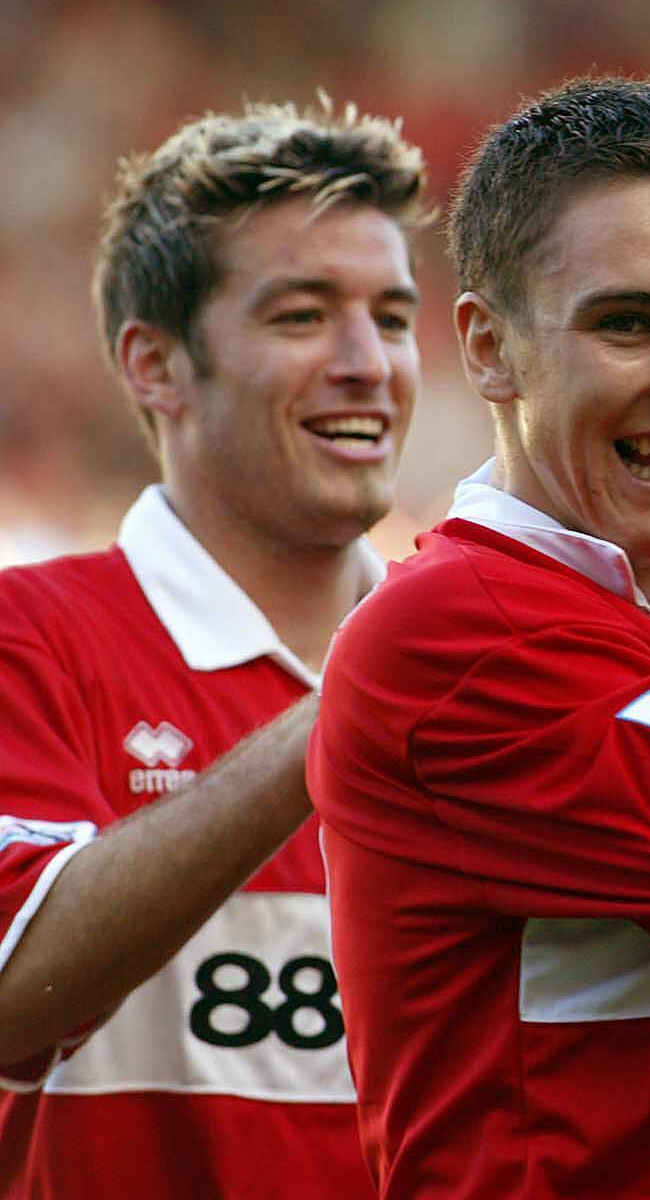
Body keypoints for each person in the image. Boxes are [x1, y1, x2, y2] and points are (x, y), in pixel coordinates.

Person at [0, 99, 428, 1197]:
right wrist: (361, 694)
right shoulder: (30, 638)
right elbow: (14, 997)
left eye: (391, 316)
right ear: (155, 365)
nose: (366, 362)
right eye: (301, 315)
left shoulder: (497, 666)